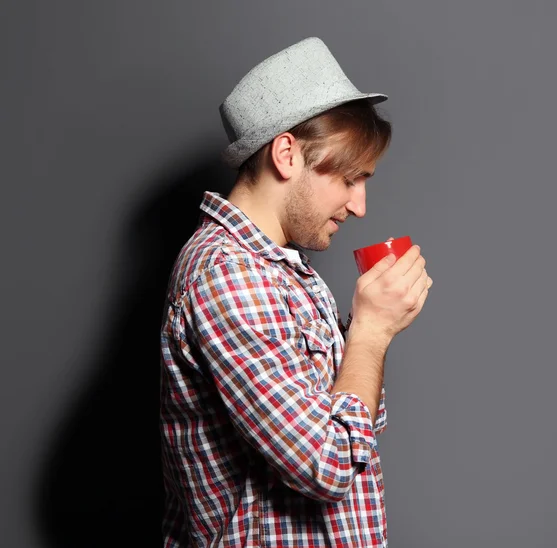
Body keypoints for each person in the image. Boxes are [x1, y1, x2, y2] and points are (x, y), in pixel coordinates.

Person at [159, 37, 432, 547]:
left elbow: (352, 429)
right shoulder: (230, 275)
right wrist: (370, 333)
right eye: (350, 179)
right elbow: (326, 465)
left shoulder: (281, 269)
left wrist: (370, 327)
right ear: (287, 154)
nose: (360, 206)